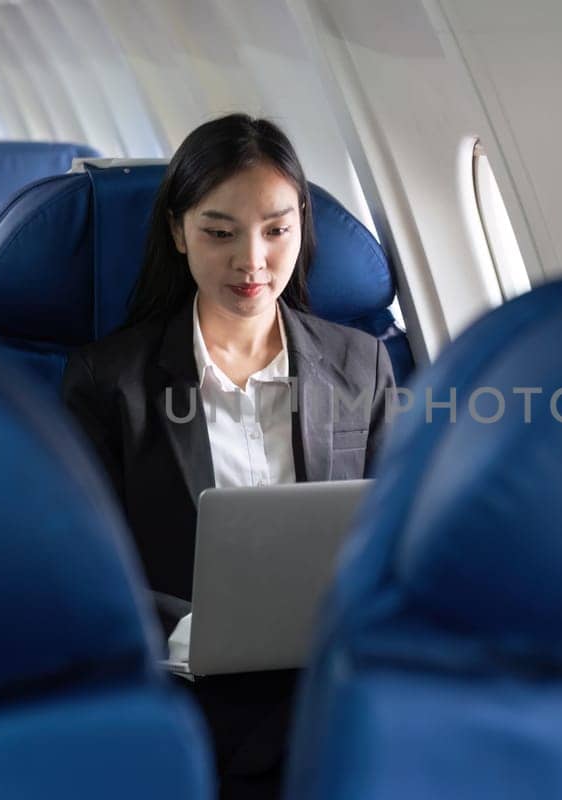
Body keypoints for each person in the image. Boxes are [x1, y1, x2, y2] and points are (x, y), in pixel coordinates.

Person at [60, 113, 396, 800]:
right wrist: (190, 633)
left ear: (302, 227)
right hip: (185, 693)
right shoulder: (108, 380)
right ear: (179, 231)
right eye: (221, 232)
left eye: (277, 229)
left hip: (329, 685)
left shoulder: (361, 365)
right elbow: (81, 563)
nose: (253, 261)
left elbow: (397, 535)